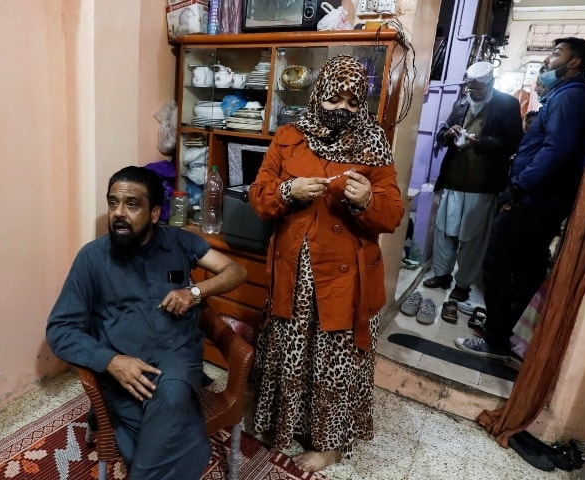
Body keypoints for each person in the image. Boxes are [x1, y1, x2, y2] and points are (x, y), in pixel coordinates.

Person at [248, 55, 404, 472]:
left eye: (353, 102)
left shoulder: (372, 144)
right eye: (335, 98)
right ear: (319, 94)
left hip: (345, 281)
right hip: (293, 275)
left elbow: (392, 214)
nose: (342, 109)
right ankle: (286, 426)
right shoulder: (288, 137)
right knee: (293, 353)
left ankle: (331, 444)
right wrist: (288, 189)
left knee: (335, 359)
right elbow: (259, 195)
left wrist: (367, 199)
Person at [46, 166, 247, 480]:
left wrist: (194, 291)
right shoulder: (92, 259)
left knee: (172, 395)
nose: (119, 213)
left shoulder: (180, 242)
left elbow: (235, 271)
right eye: (113, 203)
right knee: (172, 426)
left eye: (132, 204)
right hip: (126, 367)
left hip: (176, 359)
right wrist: (111, 361)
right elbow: (60, 329)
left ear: (154, 213)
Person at [455, 37, 585, 361]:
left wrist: (519, 186)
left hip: (533, 200)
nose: (549, 60)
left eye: (556, 53)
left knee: (498, 263)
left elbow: (556, 149)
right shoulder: (565, 96)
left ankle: (496, 339)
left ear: (574, 62)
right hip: (541, 199)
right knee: (523, 267)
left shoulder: (570, 98)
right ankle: (505, 332)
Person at [423, 61, 523, 303]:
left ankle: (463, 284)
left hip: (483, 186)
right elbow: (442, 133)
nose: (473, 93)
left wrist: (482, 141)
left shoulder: (507, 104)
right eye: (470, 88)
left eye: (478, 89)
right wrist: (448, 133)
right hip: (453, 181)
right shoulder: (462, 102)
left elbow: (513, 143)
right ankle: (442, 275)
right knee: (445, 233)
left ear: (490, 84)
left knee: (473, 239)